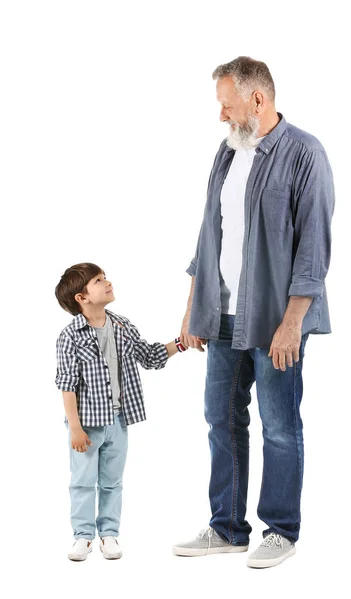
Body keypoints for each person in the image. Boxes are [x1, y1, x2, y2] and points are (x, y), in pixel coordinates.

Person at [173, 56, 335, 569]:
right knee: (220, 419)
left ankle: (281, 530)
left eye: (227, 104)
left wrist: (293, 323)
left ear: (257, 100)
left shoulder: (305, 153)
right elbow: (208, 236)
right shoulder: (227, 154)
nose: (221, 115)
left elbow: (314, 249)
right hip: (220, 313)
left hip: (273, 319)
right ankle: (227, 527)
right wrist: (190, 312)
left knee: (280, 425)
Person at [55, 262, 186, 561]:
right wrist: (75, 428)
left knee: (112, 481)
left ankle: (109, 533)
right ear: (82, 298)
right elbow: (67, 384)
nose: (108, 282)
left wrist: (180, 343)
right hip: (87, 423)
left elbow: (150, 356)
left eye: (105, 277)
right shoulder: (71, 336)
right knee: (83, 481)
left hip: (119, 419)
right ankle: (83, 537)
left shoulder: (123, 326)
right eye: (99, 280)